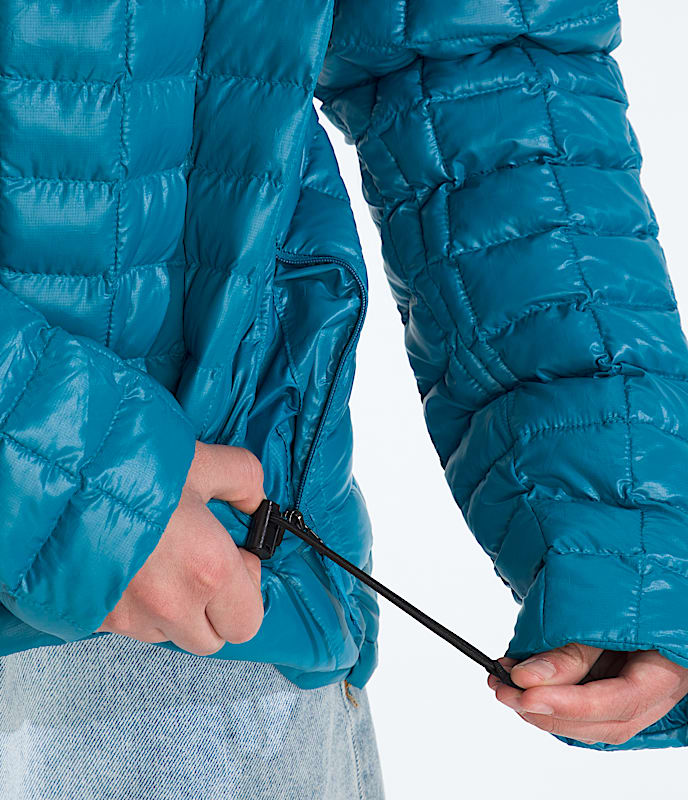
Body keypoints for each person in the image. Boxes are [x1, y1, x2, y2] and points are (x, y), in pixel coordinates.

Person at [1, 0, 688, 797]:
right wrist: (65, 476)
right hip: (156, 557)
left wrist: (622, 539)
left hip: (213, 594)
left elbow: (480, 46)